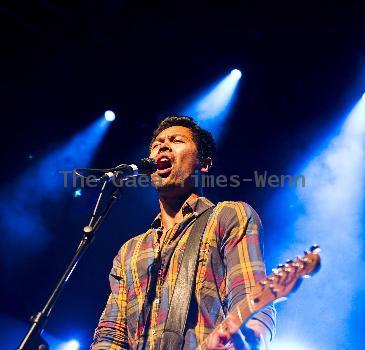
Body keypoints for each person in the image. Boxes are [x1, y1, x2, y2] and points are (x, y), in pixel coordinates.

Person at [91, 116, 276, 350]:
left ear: (204, 163)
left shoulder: (228, 216)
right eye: (157, 144)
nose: (163, 146)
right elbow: (111, 335)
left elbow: (252, 296)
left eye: (177, 141)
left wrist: (253, 335)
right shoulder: (130, 251)